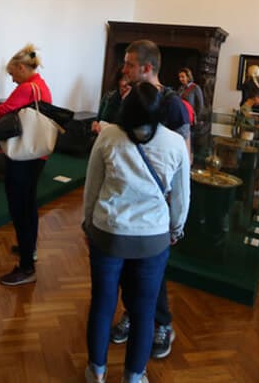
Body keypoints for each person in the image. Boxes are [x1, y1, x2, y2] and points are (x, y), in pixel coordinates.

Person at [82, 83, 190, 383]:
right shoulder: (175, 143)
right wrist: (176, 229)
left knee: (103, 304)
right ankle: (133, 377)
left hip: (108, 232)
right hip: (153, 237)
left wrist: (86, 223)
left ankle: (97, 371)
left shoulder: (108, 136)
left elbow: (92, 187)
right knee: (144, 311)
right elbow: (182, 197)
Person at [110, 39, 190, 359]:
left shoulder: (172, 104)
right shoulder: (130, 98)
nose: (124, 69)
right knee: (130, 268)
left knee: (151, 270)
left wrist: (174, 215)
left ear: (146, 68)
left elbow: (184, 157)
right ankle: (133, 313)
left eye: (129, 64)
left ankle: (162, 324)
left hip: (157, 203)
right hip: (127, 201)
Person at [0, 43, 52, 286]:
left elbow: (0, 112)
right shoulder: (42, 86)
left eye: (12, 74)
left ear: (20, 67)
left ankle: (26, 267)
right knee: (29, 203)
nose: (12, 80)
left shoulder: (28, 88)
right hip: (37, 155)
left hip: (23, 156)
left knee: (19, 207)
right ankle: (30, 249)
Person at [177, 67, 205, 136]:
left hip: (191, 121)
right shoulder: (180, 88)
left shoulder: (195, 88)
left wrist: (196, 119)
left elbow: (200, 106)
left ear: (188, 77)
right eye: (179, 77)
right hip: (181, 118)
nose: (180, 79)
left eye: (183, 77)